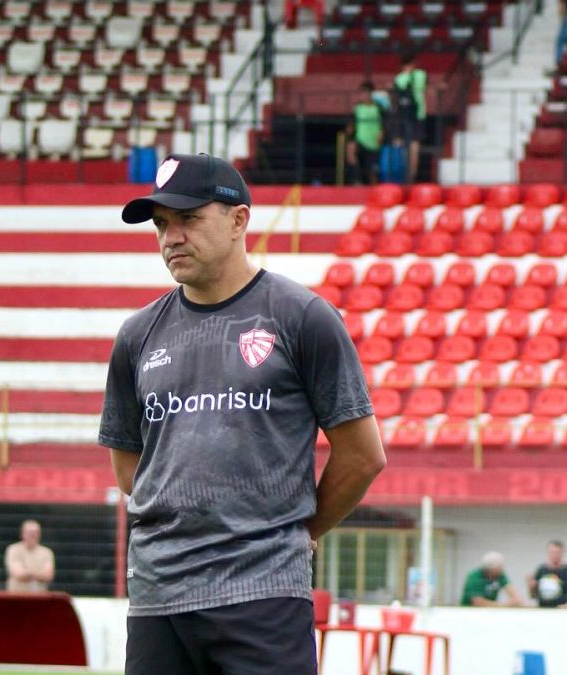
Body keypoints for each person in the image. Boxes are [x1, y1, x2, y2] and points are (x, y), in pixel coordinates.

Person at [99, 153, 386, 675]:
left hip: (264, 596)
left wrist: (296, 532)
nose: (171, 238)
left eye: (188, 219)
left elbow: (363, 456)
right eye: (161, 224)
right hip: (158, 601)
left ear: (239, 221)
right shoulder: (137, 335)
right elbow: (129, 470)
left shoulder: (303, 318)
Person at [391, 50, 427, 183]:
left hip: (410, 115)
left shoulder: (399, 78)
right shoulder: (421, 75)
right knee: (411, 144)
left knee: (410, 145)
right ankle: (410, 174)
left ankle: (410, 174)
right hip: (413, 114)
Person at [345, 81, 386, 185]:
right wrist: (350, 129)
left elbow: (385, 124)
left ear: (370, 93)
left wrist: (382, 134)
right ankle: (357, 180)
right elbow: (352, 122)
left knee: (372, 173)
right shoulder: (357, 108)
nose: (362, 95)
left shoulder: (378, 108)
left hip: (373, 143)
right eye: (361, 93)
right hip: (360, 140)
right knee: (351, 149)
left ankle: (375, 189)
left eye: (365, 92)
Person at [526, 540, 567, 608]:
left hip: (561, 609)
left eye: (557, 552)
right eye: (552, 552)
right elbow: (533, 596)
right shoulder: (541, 570)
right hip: (543, 608)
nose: (554, 555)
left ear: (562, 553)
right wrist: (530, 586)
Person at [5, 519, 55, 592]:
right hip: (17, 595)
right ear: (22, 534)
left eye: (35, 532)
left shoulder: (47, 552)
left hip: (40, 596)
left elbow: (48, 576)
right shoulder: (13, 550)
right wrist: (39, 574)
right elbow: (18, 574)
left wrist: (27, 572)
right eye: (30, 532)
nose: (33, 535)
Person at [460, 551, 525, 607]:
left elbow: (512, 591)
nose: (502, 569)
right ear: (491, 569)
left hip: (489, 610)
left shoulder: (499, 575)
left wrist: (517, 601)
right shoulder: (474, 577)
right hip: (469, 611)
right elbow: (478, 602)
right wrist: (505, 605)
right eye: (500, 567)